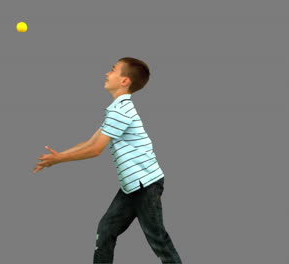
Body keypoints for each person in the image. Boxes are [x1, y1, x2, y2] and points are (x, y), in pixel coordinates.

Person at [33, 57, 182, 263]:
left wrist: (58, 160)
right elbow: (91, 141)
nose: (106, 73)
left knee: (157, 239)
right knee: (105, 231)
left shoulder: (120, 111)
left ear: (124, 81)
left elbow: (95, 149)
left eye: (112, 70)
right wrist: (60, 155)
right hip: (132, 186)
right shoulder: (117, 109)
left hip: (145, 184)